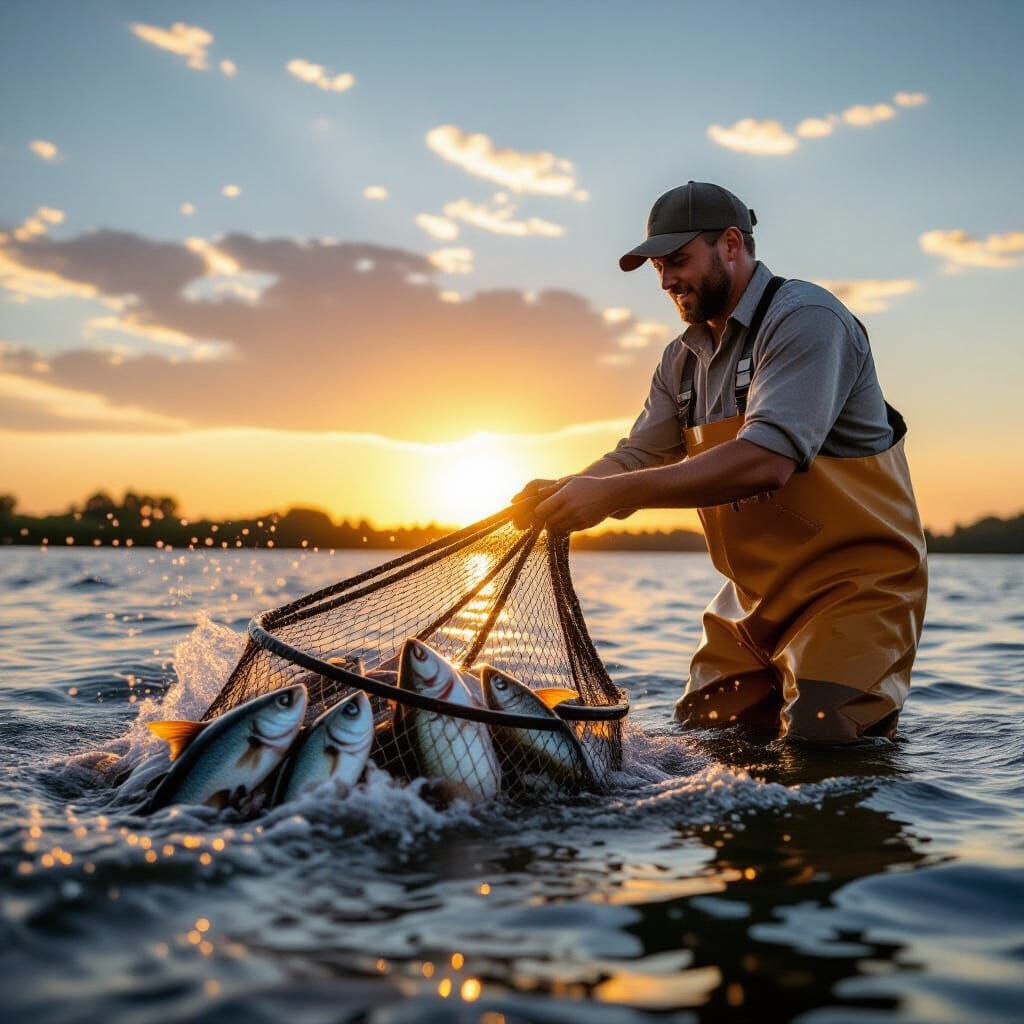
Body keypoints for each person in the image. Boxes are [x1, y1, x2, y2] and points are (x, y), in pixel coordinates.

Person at [514, 182, 928, 744]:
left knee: (820, 738)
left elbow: (765, 460)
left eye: (678, 260)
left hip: (855, 591)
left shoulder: (807, 318)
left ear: (731, 244)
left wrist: (609, 496)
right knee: (700, 743)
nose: (665, 281)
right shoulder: (679, 359)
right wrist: (571, 488)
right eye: (658, 267)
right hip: (751, 603)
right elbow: (639, 455)